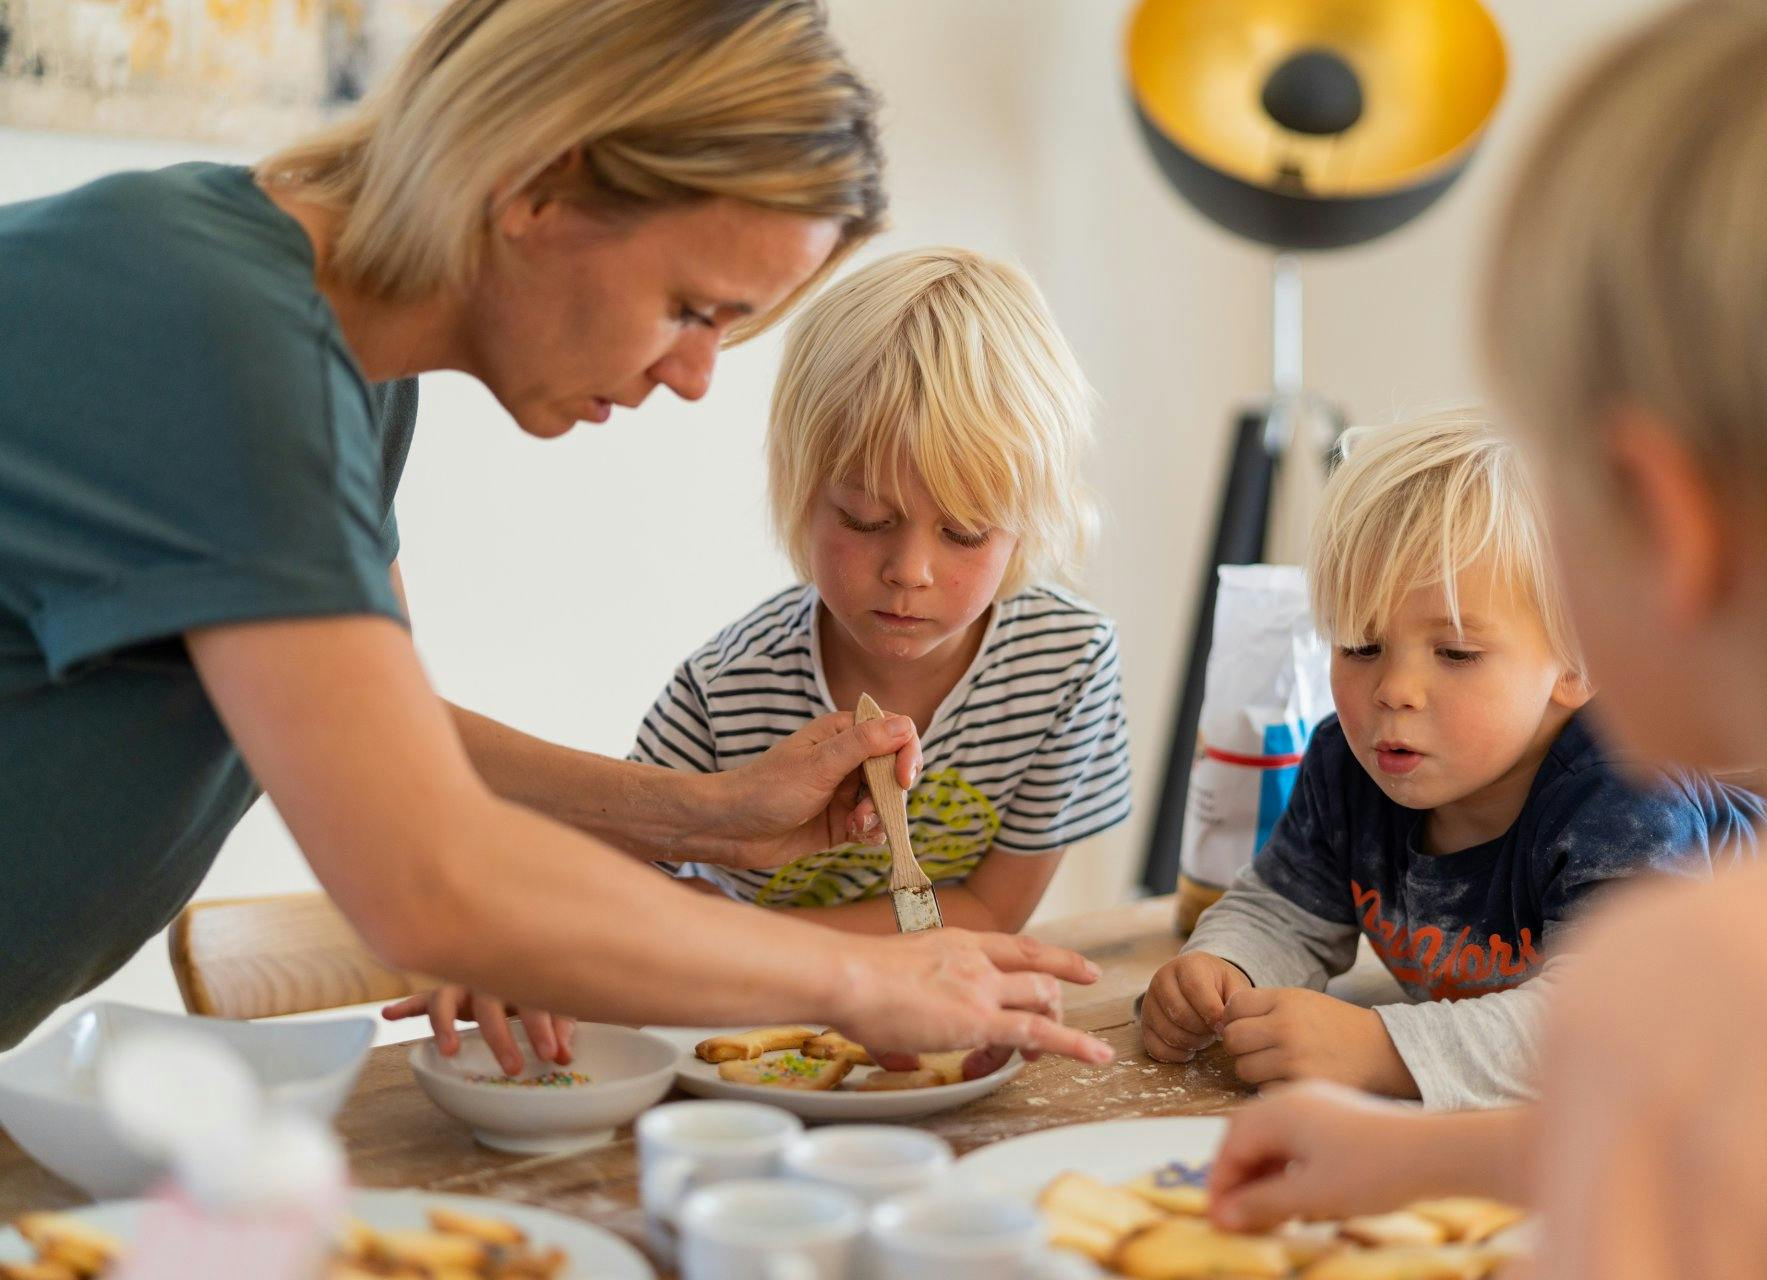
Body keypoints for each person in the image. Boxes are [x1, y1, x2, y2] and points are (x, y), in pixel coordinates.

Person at [0, 0, 1113, 1072]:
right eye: (692, 306)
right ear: (541, 185)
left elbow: (387, 734)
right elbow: (428, 876)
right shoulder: (223, 341)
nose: (692, 376)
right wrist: (858, 978)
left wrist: (709, 817)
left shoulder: (344, 373)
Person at [1204, 4, 1767, 1275]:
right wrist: (1412, 1156)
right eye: (1365, 646)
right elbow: (1688, 1139)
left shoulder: (1696, 982)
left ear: (1658, 517)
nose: (1396, 692)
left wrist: (1393, 1073)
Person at [1138, 411, 1767, 1110]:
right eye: (1360, 646)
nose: (1394, 691)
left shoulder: (1629, 793)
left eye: (1456, 653)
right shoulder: (1349, 767)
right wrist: (1223, 967)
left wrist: (1382, 1051)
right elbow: (1284, 908)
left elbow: (1612, 1026)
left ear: (1580, 663)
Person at [639, 247, 1133, 930]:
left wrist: (745, 937)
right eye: (865, 519)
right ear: (801, 496)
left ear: (1029, 525)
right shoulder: (723, 692)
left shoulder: (1067, 665)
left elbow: (994, 909)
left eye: (963, 533)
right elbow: (608, 884)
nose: (910, 571)